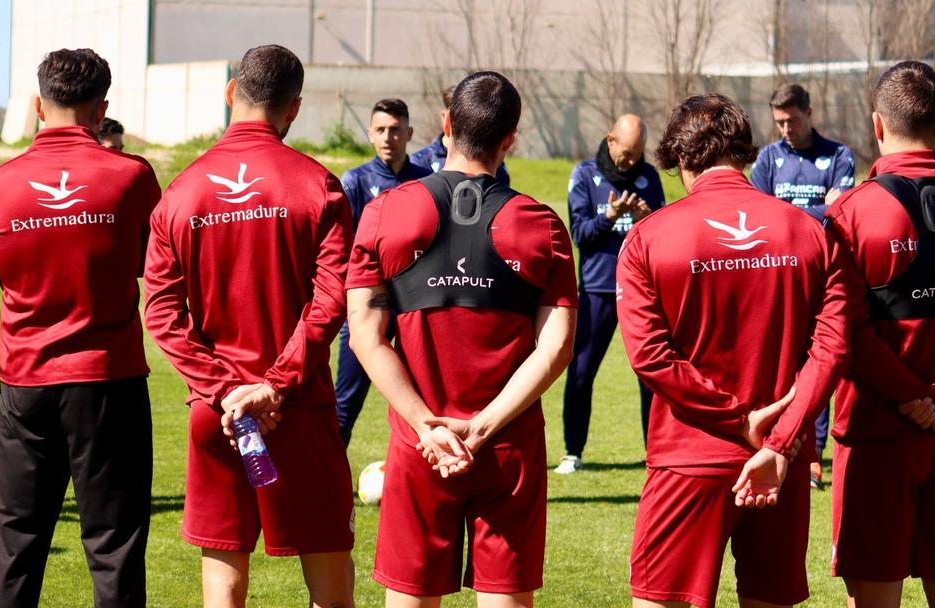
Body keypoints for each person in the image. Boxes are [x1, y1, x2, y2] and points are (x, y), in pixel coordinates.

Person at [346, 70, 577, 607]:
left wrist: (426, 425)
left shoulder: (385, 213)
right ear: (510, 138)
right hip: (508, 449)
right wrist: (483, 427)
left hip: (420, 446)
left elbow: (364, 333)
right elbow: (556, 346)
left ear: (445, 126)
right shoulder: (541, 226)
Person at [617, 93, 850, 608]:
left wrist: (739, 420)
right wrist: (781, 438)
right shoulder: (810, 233)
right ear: (745, 152)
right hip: (781, 462)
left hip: (689, 458)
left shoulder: (648, 238)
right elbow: (832, 347)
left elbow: (650, 356)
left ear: (681, 159)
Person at [144, 44, 355, 608]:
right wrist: (276, 383)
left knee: (224, 575)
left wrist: (226, 391)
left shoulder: (181, 192)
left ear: (230, 92)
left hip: (218, 415)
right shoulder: (319, 185)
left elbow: (161, 314)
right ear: (295, 108)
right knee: (328, 571)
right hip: (299, 407)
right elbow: (333, 299)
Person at [0, 48, 161, 608]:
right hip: (107, 381)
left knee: (15, 545)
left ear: (38, 105)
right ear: (101, 108)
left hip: (25, 381)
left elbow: (2, 271)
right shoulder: (131, 177)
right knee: (115, 545)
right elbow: (147, 263)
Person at [824, 61, 935, 608]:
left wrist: (914, 397)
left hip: (877, 435)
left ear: (877, 124)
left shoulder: (854, 211)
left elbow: (843, 334)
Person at [751, 83, 856, 489]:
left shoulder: (838, 155)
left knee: (821, 359)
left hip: (822, 272)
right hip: (778, 274)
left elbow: (841, 212)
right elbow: (759, 215)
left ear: (809, 113)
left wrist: (786, 213)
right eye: (778, 122)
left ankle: (812, 453)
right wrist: (818, 210)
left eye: (792, 120)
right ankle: (776, 437)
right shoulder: (768, 158)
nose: (785, 129)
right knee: (780, 359)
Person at [557, 114, 664, 475]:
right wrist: (610, 215)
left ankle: (657, 453)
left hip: (640, 291)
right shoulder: (584, 174)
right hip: (597, 289)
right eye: (626, 153)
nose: (631, 161)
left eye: (637, 154)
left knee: (651, 375)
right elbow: (580, 234)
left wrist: (647, 219)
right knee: (582, 370)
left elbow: (664, 236)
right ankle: (573, 451)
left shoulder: (648, 178)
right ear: (610, 141)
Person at [334, 98, 430, 444]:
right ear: (370, 135)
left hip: (415, 307)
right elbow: (341, 246)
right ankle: (327, 487)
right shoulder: (356, 181)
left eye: (395, 129)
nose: (388, 137)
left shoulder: (427, 181)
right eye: (380, 130)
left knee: (422, 400)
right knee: (345, 403)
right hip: (367, 307)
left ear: (409, 133)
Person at [411, 84, 510, 186]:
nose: (467, 122)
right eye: (460, 116)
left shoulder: (490, 161)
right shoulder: (420, 162)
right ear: (446, 118)